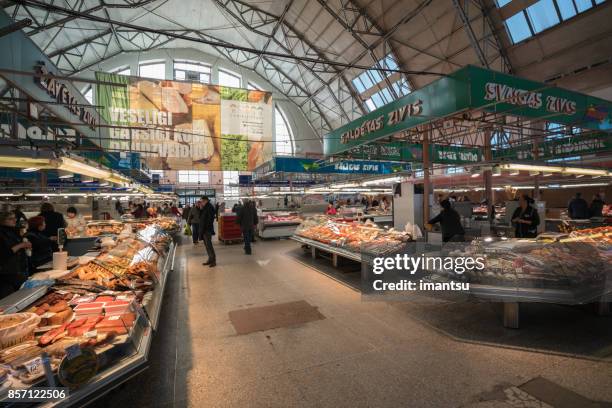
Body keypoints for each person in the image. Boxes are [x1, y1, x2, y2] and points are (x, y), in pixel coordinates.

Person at [0, 211, 31, 298]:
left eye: (15, 218)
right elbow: (5, 253)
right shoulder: (2, 234)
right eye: (10, 219)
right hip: (8, 272)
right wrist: (22, 245)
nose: (14, 220)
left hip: (19, 269)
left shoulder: (13, 231)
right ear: (2, 220)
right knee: (11, 298)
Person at [199, 196, 216, 267]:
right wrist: (200, 209)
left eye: (202, 201)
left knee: (209, 245)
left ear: (205, 200)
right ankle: (210, 259)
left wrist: (205, 228)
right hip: (204, 229)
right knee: (207, 246)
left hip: (207, 230)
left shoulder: (209, 207)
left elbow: (209, 220)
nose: (201, 203)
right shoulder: (205, 207)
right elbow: (201, 217)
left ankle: (213, 261)